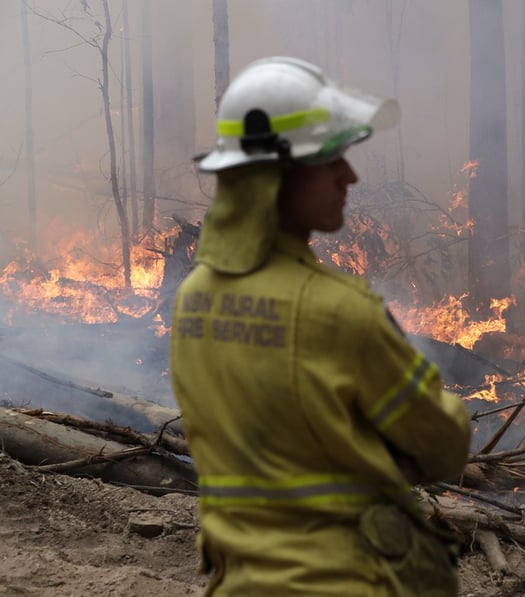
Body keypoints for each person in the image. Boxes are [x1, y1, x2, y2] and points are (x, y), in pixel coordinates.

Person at [170, 56, 471, 596]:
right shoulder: (340, 310)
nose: (349, 176)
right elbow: (443, 448)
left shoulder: (193, 299)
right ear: (274, 177)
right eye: (329, 158)